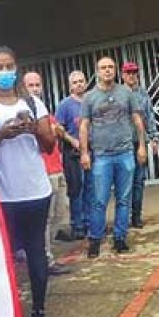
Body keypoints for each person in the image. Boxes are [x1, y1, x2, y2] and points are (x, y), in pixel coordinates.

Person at [0, 47, 56, 317]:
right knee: (3, 256)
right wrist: (0, 135)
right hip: (2, 196)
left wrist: (33, 129)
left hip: (35, 191)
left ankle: (39, 311)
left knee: (36, 253)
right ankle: (7, 313)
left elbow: (49, 145)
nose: (5, 72)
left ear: (17, 69)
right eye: (0, 67)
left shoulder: (33, 102)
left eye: (10, 66)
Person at [79, 57, 147, 258]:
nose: (107, 71)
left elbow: (137, 119)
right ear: (97, 71)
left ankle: (120, 238)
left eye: (110, 67)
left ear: (116, 70)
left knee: (123, 199)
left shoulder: (126, 93)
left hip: (125, 153)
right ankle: (95, 239)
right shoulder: (89, 97)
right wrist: (84, 152)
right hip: (101, 156)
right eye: (103, 68)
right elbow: (84, 126)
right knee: (99, 200)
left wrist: (142, 146)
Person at [23, 71, 69, 275]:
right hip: (42, 172)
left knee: (60, 212)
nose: (34, 89)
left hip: (57, 168)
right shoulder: (24, 113)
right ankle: (45, 259)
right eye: (30, 85)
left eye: (37, 85)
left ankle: (44, 253)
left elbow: (57, 133)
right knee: (47, 218)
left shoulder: (43, 112)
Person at [120, 61, 158, 228]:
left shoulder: (143, 95)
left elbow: (149, 116)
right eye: (128, 73)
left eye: (134, 73)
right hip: (121, 145)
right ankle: (123, 217)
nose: (131, 76)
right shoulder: (118, 94)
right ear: (122, 75)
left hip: (138, 143)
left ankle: (136, 216)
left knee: (138, 181)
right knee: (123, 182)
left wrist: (154, 138)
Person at [54, 70, 90, 241]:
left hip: (92, 152)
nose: (79, 84)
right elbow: (58, 129)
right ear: (70, 86)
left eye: (81, 81)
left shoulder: (91, 101)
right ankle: (77, 225)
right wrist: (72, 140)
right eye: (75, 82)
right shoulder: (64, 105)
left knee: (92, 188)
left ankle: (91, 223)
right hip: (73, 154)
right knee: (76, 190)